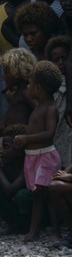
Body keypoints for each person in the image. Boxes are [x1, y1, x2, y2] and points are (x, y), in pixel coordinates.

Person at [13, 60, 62, 242]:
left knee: (44, 195)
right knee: (38, 196)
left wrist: (27, 139)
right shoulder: (38, 107)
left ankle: (53, 231)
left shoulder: (50, 109)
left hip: (46, 157)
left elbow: (49, 134)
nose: (28, 87)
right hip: (33, 157)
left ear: (39, 88)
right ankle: (37, 230)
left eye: (30, 83)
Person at [46, 36, 72, 168]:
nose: (61, 62)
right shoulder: (52, 84)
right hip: (58, 132)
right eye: (56, 60)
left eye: (64, 58)